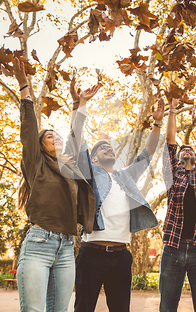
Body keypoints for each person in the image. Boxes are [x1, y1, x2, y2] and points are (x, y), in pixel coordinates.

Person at [13, 57, 100, 312]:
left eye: (57, 135)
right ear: (41, 147)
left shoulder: (70, 167)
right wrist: (23, 86)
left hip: (66, 247)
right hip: (39, 243)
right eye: (50, 136)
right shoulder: (36, 164)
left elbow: (75, 134)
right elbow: (29, 129)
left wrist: (80, 103)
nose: (57, 138)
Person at [72, 87, 164, 312]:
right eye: (102, 148)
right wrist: (80, 105)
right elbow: (77, 141)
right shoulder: (90, 175)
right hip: (91, 254)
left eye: (110, 147)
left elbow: (147, 155)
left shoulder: (125, 177)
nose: (108, 149)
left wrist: (157, 123)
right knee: (83, 308)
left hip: (121, 256)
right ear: (93, 159)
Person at [159, 93, 196, 312]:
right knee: (167, 305)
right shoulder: (173, 174)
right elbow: (170, 143)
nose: (187, 151)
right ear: (179, 158)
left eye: (190, 150)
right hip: (173, 246)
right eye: (184, 151)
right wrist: (172, 110)